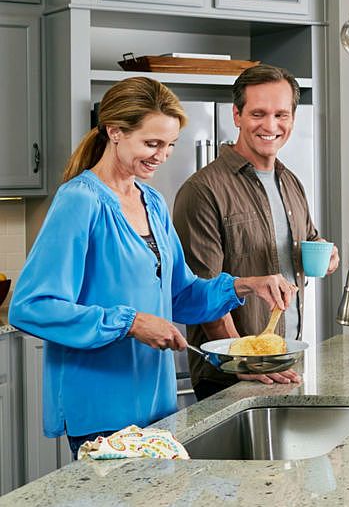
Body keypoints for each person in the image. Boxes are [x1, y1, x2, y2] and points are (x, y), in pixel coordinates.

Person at [9, 77, 296, 458]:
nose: (162, 156)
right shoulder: (80, 201)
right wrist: (130, 322)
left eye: (170, 145)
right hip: (101, 409)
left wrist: (245, 285)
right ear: (114, 131)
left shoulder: (152, 201)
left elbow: (182, 296)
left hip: (158, 407)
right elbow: (31, 306)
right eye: (152, 143)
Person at [173, 64, 339, 400]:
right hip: (231, 376)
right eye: (258, 113)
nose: (271, 126)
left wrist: (326, 252)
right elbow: (203, 292)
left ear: (293, 118)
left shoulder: (290, 182)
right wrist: (246, 361)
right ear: (236, 115)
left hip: (284, 364)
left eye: (281, 114)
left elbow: (306, 239)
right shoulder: (203, 190)